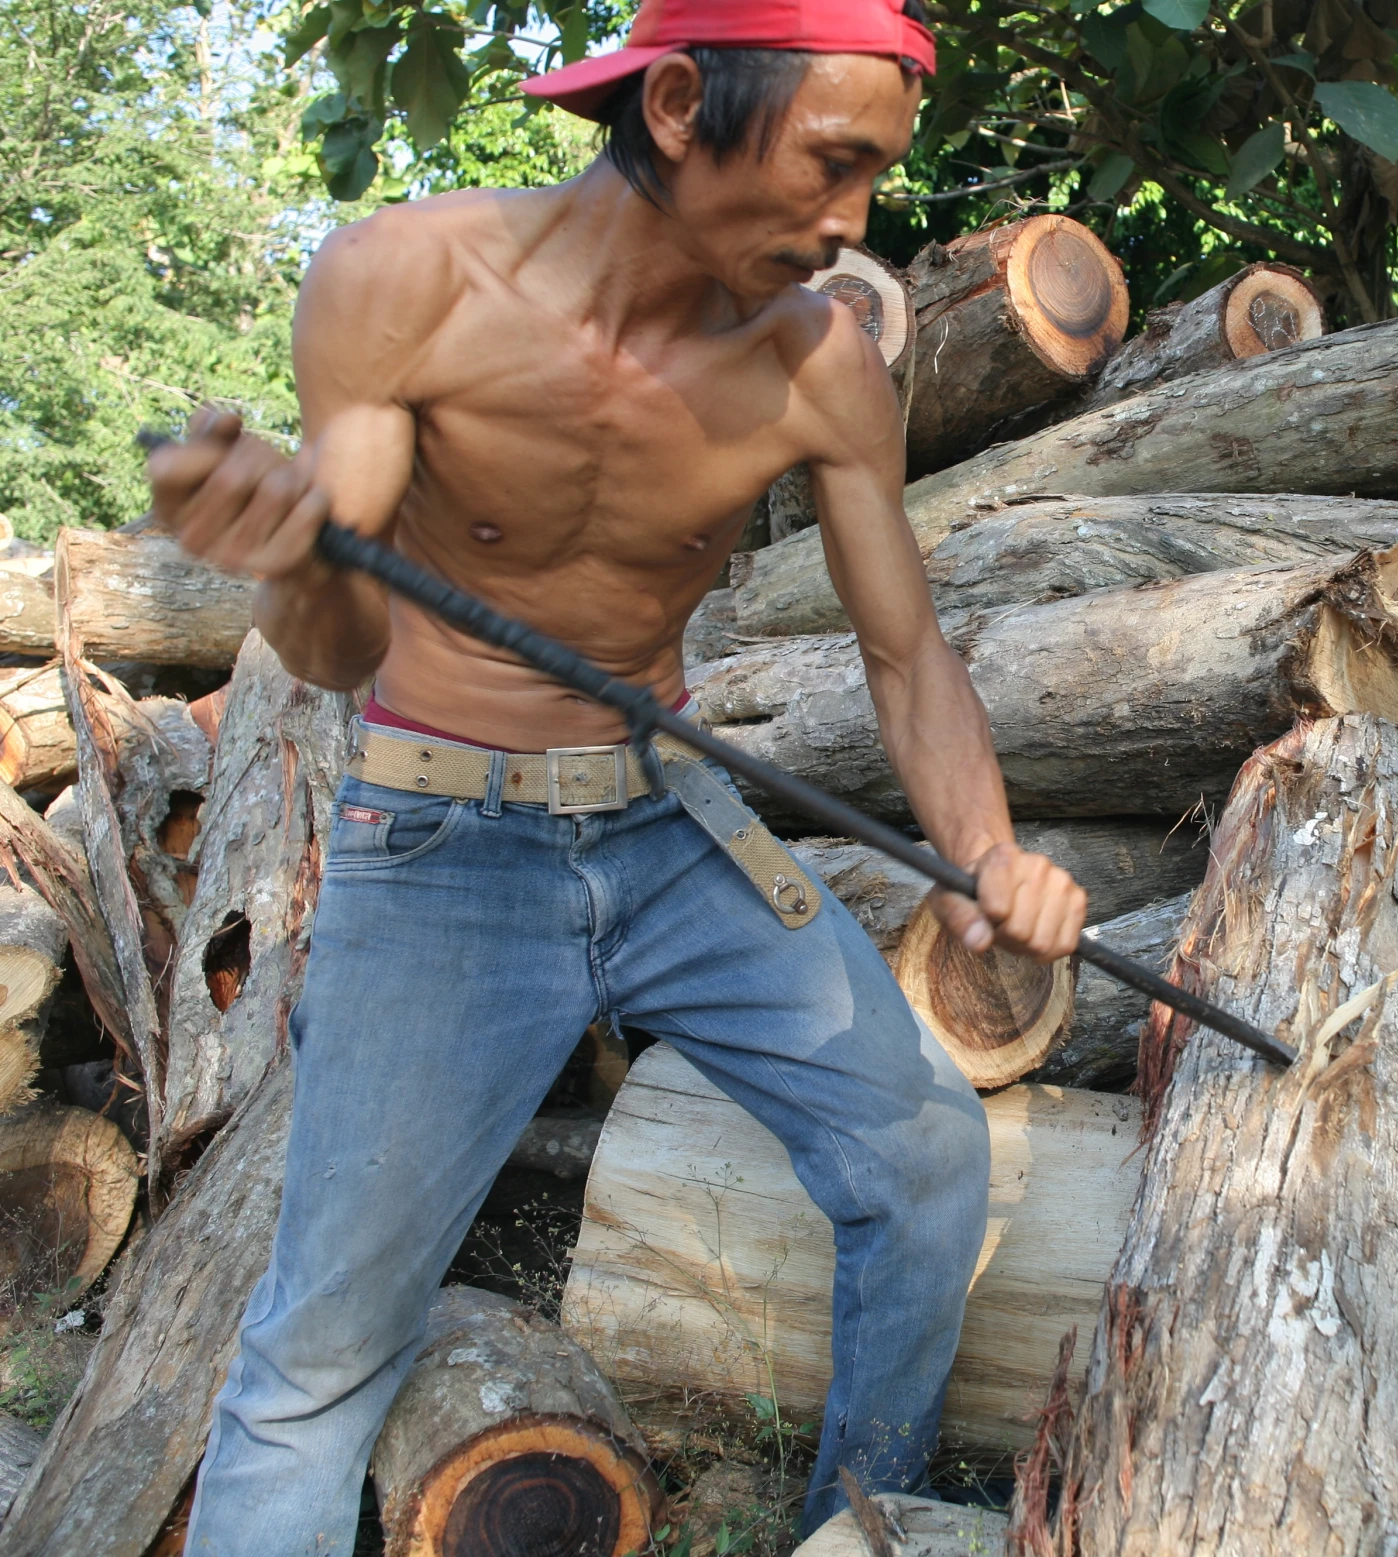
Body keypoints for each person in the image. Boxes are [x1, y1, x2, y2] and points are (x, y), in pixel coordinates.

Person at [142, 0, 1087, 1549]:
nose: (852, 223)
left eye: (875, 179)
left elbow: (907, 656)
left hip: (664, 827)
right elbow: (331, 642)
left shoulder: (817, 365)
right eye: (830, 164)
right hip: (442, 842)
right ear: (673, 103)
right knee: (322, 1350)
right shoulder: (408, 285)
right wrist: (287, 561)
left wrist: (984, 854)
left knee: (922, 1150)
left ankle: (870, 1513)